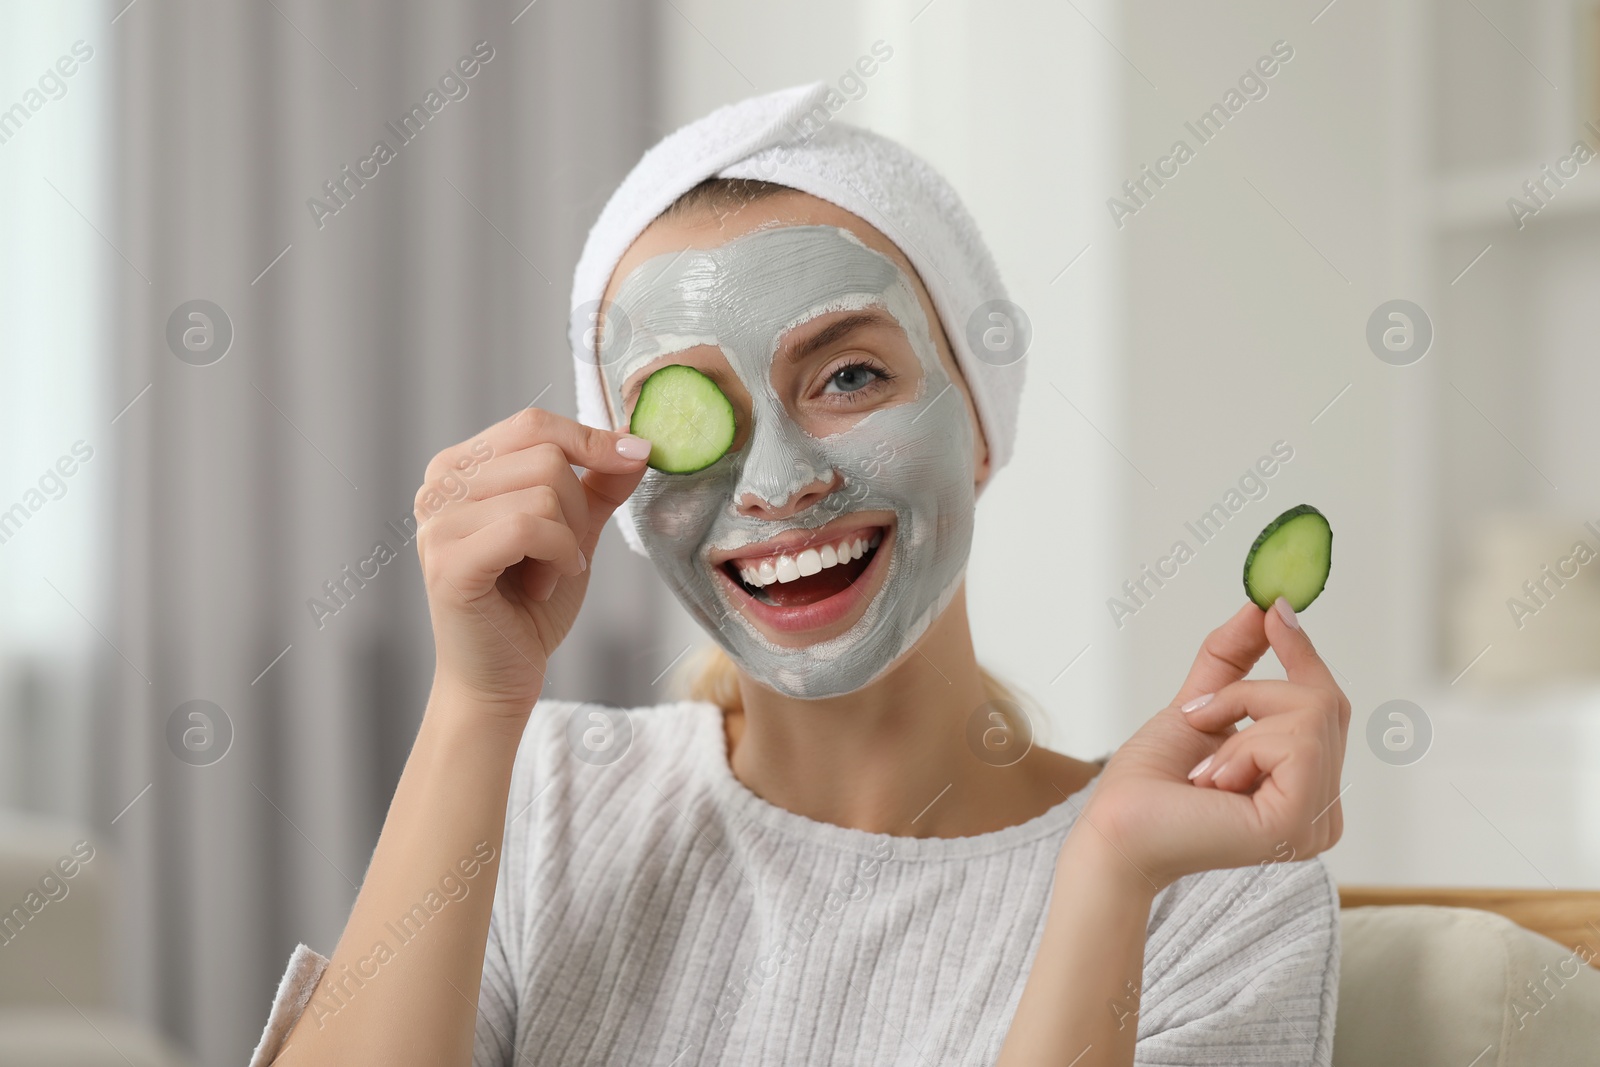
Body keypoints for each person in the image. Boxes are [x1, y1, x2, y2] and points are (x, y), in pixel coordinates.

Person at [250, 83, 1347, 1067]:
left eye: (850, 374)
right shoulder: (552, 796)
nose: (776, 483)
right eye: (690, 413)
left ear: (977, 418)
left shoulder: (1209, 883)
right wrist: (475, 703)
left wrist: (1107, 870)